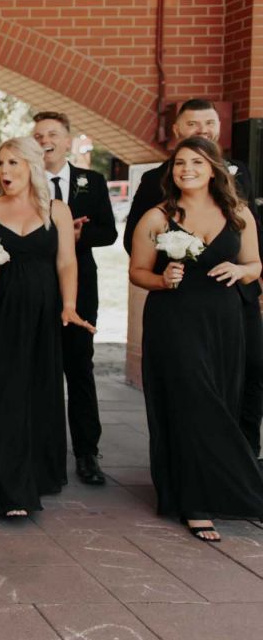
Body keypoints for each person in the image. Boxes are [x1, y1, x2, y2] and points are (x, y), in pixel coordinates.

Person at [129, 135, 263, 541]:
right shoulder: (157, 216)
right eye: (180, 162)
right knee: (192, 402)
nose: (187, 169)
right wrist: (163, 278)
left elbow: (255, 263)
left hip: (224, 324)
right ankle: (193, 501)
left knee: (220, 401)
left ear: (213, 169)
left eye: (198, 162)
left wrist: (241, 273)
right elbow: (137, 272)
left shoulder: (238, 213)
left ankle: (220, 486)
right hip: (174, 321)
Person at [0, 137, 94, 517]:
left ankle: (37, 472)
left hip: (42, 316)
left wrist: (68, 305)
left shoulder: (58, 210)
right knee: (0, 393)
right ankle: (5, 488)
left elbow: (67, 263)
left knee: (38, 390)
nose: (4, 171)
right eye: (1, 163)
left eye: (14, 164)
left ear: (33, 166)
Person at [32, 111, 117, 485]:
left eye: (52, 134)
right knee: (35, 367)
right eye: (38, 135)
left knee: (79, 367)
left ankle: (86, 452)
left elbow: (110, 233)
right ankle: (36, 449)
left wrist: (79, 236)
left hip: (80, 286)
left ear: (68, 141)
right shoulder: (24, 180)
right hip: (34, 285)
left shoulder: (92, 181)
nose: (44, 139)